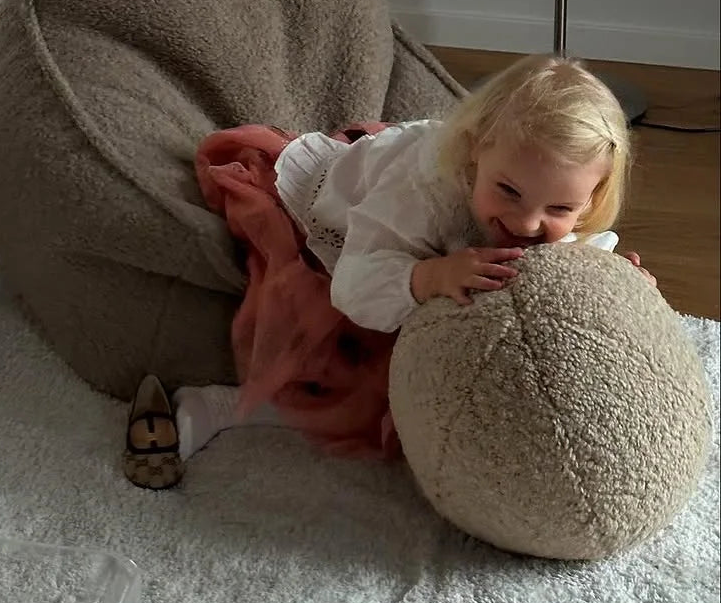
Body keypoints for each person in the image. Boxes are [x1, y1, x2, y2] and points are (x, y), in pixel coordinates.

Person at [126, 54, 657, 485]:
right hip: (343, 231)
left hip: (421, 222)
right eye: (508, 192)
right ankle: (221, 407)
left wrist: (617, 284)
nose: (527, 221)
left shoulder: (549, 201)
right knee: (363, 381)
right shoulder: (419, 192)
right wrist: (426, 278)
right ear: (474, 157)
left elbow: (574, 257)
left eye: (560, 210)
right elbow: (354, 285)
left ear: (590, 200)